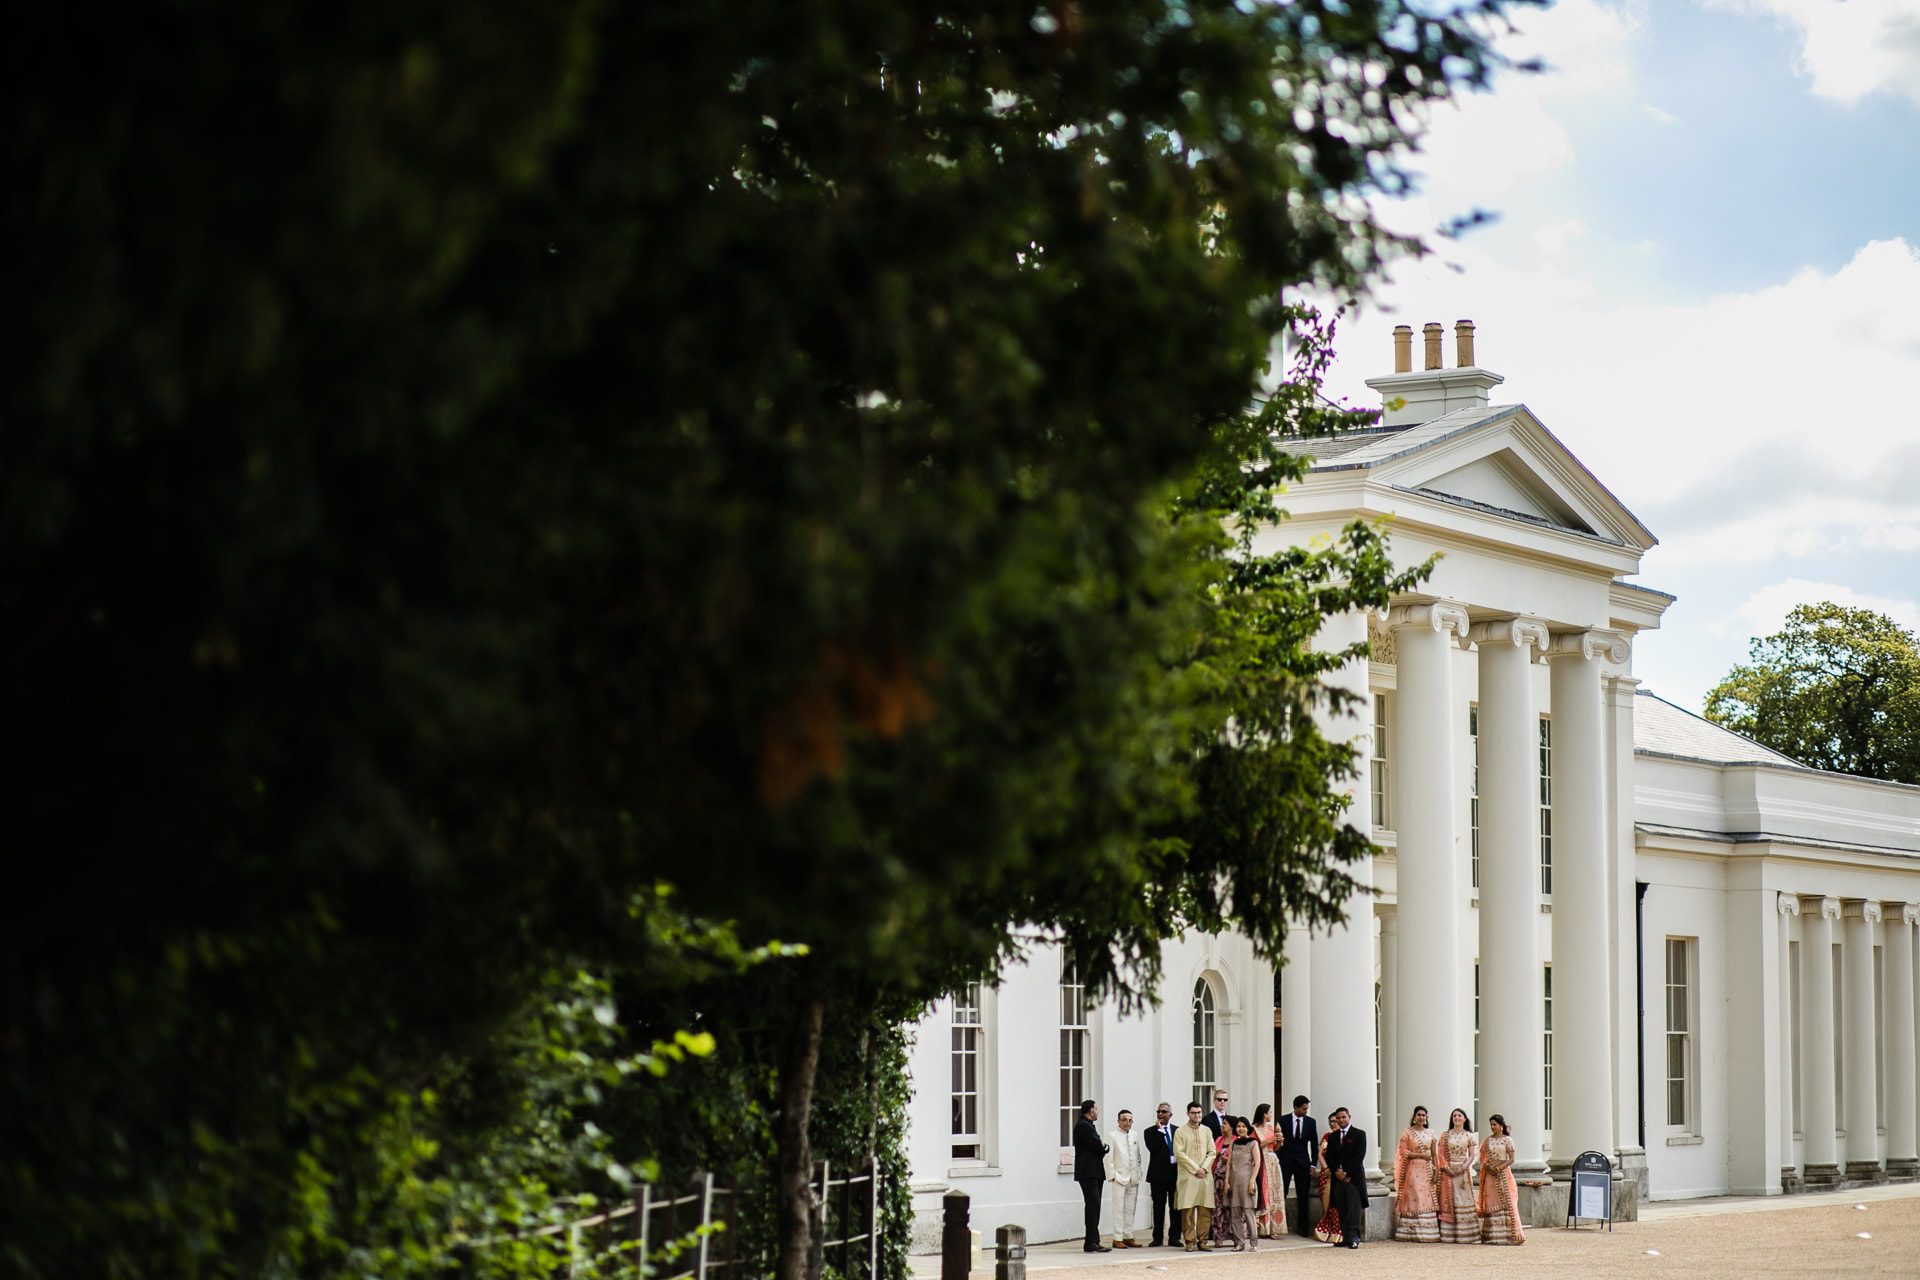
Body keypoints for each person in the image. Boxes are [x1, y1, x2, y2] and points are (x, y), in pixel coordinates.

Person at [1391, 1105, 1440, 1243]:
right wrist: (1420, 1155)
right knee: (1415, 1196)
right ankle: (1411, 1232)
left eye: (1424, 1115)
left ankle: (1427, 1232)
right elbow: (1403, 1152)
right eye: (1419, 1115)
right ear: (1414, 1117)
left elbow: (1434, 1155)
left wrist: (1436, 1171)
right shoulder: (1407, 1132)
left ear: (1426, 1118)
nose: (1421, 1117)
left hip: (1427, 1170)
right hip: (1412, 1169)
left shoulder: (1431, 1133)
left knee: (1426, 1196)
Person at [1477, 1114, 1526, 1245]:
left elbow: (1511, 1159)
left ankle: (1510, 1236)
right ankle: (1492, 1236)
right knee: (1492, 1202)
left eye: (1495, 1124)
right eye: (1491, 1125)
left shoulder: (1507, 1140)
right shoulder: (1486, 1141)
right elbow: (1482, 1158)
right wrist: (1489, 1168)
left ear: (1501, 1125)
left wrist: (1498, 1169)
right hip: (1490, 1175)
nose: (1493, 1127)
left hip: (1503, 1174)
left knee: (1507, 1201)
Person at [1173, 1101, 1217, 1250]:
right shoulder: (1180, 1132)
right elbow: (1179, 1154)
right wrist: (1195, 1169)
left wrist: (1203, 1168)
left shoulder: (1207, 1131)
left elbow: (1212, 1152)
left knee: (1205, 1210)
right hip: (1188, 1176)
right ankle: (1190, 1241)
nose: (1196, 1115)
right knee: (1188, 1211)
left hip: (1204, 1176)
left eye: (1199, 1112)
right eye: (1193, 1113)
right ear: (1188, 1114)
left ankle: (1203, 1241)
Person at [1323, 1106, 1368, 1249]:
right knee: (1341, 1207)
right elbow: (1329, 1156)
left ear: (1349, 1117)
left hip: (1353, 1179)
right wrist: (1337, 1172)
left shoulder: (1359, 1134)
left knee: (1353, 1208)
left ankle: (1354, 1236)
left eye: (1343, 1117)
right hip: (1338, 1178)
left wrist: (1346, 1173)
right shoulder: (1333, 1136)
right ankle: (1345, 1235)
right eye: (1338, 1118)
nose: (1341, 1120)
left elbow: (1359, 1156)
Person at [1435, 1108, 1479, 1244]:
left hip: (1462, 1172)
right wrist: (1447, 1168)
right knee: (1449, 1200)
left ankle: (1466, 1235)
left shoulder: (1469, 1136)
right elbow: (1440, 1154)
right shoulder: (1445, 1135)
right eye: (1454, 1115)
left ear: (1464, 1119)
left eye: (1459, 1115)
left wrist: (1463, 1168)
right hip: (1447, 1172)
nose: (1457, 1117)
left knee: (1463, 1200)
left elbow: (1472, 1155)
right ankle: (1449, 1234)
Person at [1277, 1094, 1318, 1239]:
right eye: (1303, 1108)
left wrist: (1313, 1164)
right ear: (1295, 1107)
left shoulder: (1311, 1122)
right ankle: (1279, 1225)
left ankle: (1303, 1228)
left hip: (1303, 1162)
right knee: (1282, 1192)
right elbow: (1279, 1142)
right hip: (1285, 1161)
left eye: (1307, 1108)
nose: (1305, 1111)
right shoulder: (1283, 1120)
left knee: (1303, 1195)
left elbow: (1314, 1144)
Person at [1072, 1100, 1111, 1253]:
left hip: (1093, 1171)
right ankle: (1091, 1242)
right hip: (1088, 1171)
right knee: (1092, 1206)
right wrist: (1104, 1147)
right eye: (1096, 1108)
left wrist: (1102, 1147)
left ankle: (1094, 1240)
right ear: (1090, 1111)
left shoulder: (1087, 1126)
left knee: (1095, 1206)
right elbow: (1098, 1146)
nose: (1097, 1111)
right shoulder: (1083, 1126)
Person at [1104, 1107, 1145, 1248]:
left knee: (1130, 1208)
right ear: (1118, 1121)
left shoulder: (1134, 1135)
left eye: (1129, 1120)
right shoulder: (1112, 1135)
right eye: (1124, 1120)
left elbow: (1138, 1155)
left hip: (1133, 1178)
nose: (1127, 1123)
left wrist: (1139, 1173)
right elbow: (1108, 1158)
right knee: (1118, 1208)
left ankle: (1128, 1235)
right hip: (1119, 1177)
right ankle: (1117, 1237)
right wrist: (1113, 1176)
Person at [1143, 1102, 1182, 1248]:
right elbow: (1154, 1148)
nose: (1160, 1114)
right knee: (1158, 1207)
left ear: (1170, 1115)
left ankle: (1174, 1237)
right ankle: (1157, 1237)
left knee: (1175, 1207)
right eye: (1158, 1111)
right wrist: (1160, 1132)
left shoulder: (1178, 1130)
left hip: (1175, 1173)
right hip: (1158, 1175)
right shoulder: (1150, 1132)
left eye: (1164, 1112)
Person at [1224, 1116, 1264, 1251]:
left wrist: (1252, 1181)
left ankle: (1253, 1243)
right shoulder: (1234, 1143)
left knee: (1248, 1213)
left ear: (1248, 1128)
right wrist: (1226, 1181)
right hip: (1234, 1182)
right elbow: (1229, 1164)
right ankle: (1239, 1243)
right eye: (1238, 1127)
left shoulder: (1253, 1143)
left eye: (1243, 1126)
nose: (1241, 1129)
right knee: (1235, 1213)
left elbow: (1257, 1163)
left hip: (1247, 1182)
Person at [1250, 1103, 1284, 1238]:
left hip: (1273, 1159)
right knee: (1265, 1193)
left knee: (1276, 1192)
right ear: (1264, 1114)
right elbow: (1254, 1146)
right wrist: (1270, 1139)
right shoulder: (1254, 1129)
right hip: (1261, 1161)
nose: (1271, 1115)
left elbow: (1275, 1147)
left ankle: (1275, 1227)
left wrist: (1279, 1142)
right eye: (1270, 1112)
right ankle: (1263, 1227)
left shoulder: (1270, 1127)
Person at [1311, 1122, 1342, 1245]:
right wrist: (1325, 1168)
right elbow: (1320, 1154)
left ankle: (1337, 1231)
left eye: (1336, 1121)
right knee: (1326, 1203)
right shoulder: (1327, 1136)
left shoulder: (1342, 1136)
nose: (1333, 1124)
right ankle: (1325, 1230)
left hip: (1338, 1172)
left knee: (1337, 1204)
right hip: (1326, 1173)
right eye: (1331, 1122)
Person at [1208, 1115, 1237, 1247]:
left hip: (1231, 1178)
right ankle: (1218, 1237)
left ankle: (1235, 1236)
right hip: (1218, 1178)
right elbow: (1212, 1154)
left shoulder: (1236, 1140)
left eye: (1225, 1124)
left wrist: (1228, 1159)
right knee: (1218, 1209)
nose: (1222, 1126)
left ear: (1231, 1127)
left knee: (1232, 1207)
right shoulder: (1219, 1139)